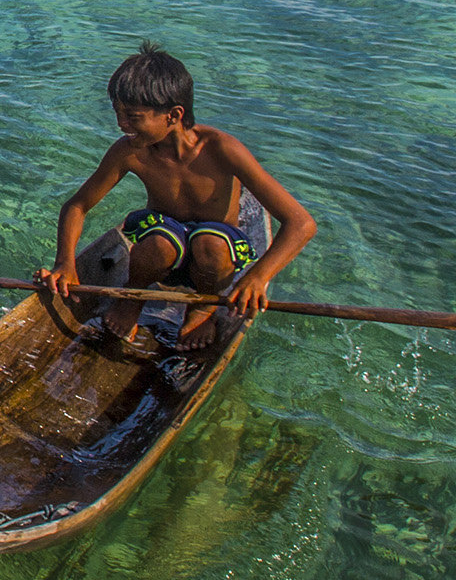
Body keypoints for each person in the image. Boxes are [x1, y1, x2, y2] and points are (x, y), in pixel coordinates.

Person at [42, 44, 317, 351]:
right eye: (118, 113)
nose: (121, 124)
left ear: (173, 115)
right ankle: (135, 295)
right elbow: (77, 205)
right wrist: (65, 262)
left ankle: (203, 307)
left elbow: (301, 223)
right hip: (162, 248)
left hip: (213, 257)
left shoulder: (222, 149)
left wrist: (258, 276)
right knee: (159, 241)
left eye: (132, 116)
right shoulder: (131, 151)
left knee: (210, 244)